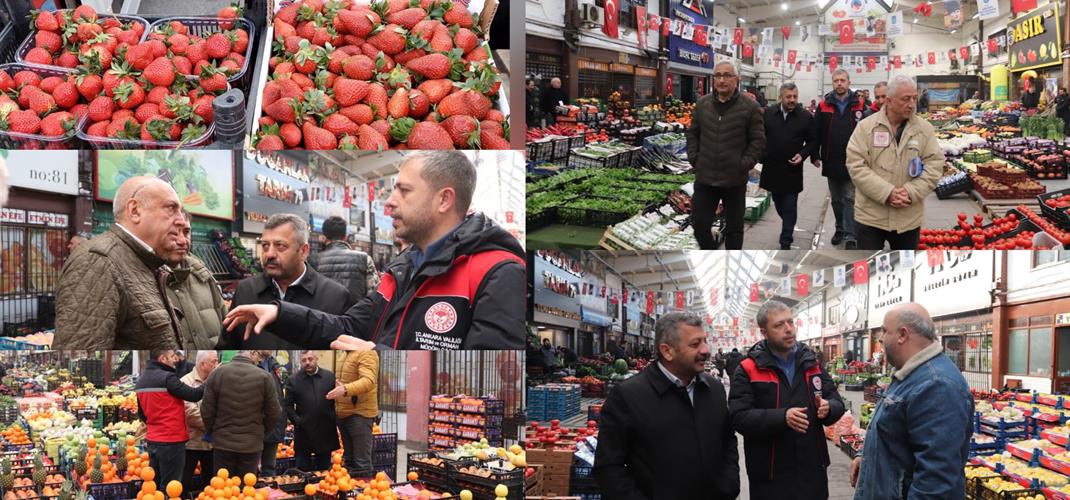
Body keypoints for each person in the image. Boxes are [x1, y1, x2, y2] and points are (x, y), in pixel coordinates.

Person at [223, 152, 527, 350]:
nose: (389, 202)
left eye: (404, 191)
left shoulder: (498, 272)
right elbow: (350, 325)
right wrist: (279, 313)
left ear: (444, 200)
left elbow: (494, 372)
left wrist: (378, 357)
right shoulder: (403, 268)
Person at [593, 312, 739, 499]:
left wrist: (729, 485)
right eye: (695, 344)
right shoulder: (628, 396)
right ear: (667, 351)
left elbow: (727, 440)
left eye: (705, 341)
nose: (705, 350)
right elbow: (608, 468)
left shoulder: (714, 390)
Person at [850, 303, 973, 498]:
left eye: (884, 331)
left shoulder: (937, 386)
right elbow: (891, 432)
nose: (881, 338)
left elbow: (935, 482)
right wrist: (865, 456)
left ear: (902, 335)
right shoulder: (908, 374)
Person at [54, 176, 190, 349]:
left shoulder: (148, 261)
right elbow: (80, 350)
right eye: (171, 208)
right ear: (134, 210)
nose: (181, 220)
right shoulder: (97, 261)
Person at [729, 301, 845, 499]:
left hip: (812, 470)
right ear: (764, 332)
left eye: (791, 322)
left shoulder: (811, 364)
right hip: (771, 474)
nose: (789, 329)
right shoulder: (748, 369)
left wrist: (829, 407)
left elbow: (836, 401)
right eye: (779, 325)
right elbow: (739, 417)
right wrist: (782, 417)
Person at [216, 214, 354, 349]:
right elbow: (227, 344)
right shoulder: (245, 291)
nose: (269, 254)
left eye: (280, 246)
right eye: (265, 245)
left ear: (303, 251)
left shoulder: (335, 296)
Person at [847, 75, 942, 250]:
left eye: (914, 98)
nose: (912, 104)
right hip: (871, 217)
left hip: (908, 218)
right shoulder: (866, 127)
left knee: (904, 270)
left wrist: (911, 191)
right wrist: (887, 192)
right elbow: (856, 165)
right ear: (889, 101)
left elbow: (934, 164)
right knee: (868, 270)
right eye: (906, 99)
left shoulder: (924, 129)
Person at [685, 60, 766, 250]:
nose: (722, 80)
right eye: (718, 75)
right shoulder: (702, 105)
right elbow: (692, 133)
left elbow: (758, 140)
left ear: (736, 79)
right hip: (706, 178)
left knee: (734, 230)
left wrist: (743, 164)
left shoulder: (750, 107)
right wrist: (694, 158)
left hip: (734, 180)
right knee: (699, 225)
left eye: (726, 75)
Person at [201, 351, 282, 478]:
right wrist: (260, 431)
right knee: (246, 488)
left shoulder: (217, 374)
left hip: (223, 443)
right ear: (252, 354)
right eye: (258, 356)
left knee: (222, 488)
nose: (259, 360)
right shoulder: (265, 377)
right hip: (251, 445)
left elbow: (206, 410)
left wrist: (215, 430)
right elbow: (275, 413)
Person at [760, 82, 818, 250]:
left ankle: (786, 239)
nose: (792, 100)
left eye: (795, 96)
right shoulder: (769, 114)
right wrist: (761, 156)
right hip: (772, 168)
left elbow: (813, 141)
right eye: (788, 97)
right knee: (778, 202)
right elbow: (760, 136)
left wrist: (804, 154)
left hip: (792, 169)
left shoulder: (805, 117)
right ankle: (788, 223)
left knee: (790, 205)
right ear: (780, 97)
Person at [135, 350, 206, 487]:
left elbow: (142, 415)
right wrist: (210, 380)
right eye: (172, 357)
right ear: (162, 358)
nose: (175, 360)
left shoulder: (141, 381)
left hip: (153, 440)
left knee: (154, 484)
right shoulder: (168, 378)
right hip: (172, 441)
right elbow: (194, 395)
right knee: (171, 486)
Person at [814, 69, 867, 250]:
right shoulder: (823, 105)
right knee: (836, 199)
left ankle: (851, 235)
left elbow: (867, 131)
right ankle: (840, 228)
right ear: (832, 83)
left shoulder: (859, 104)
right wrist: (815, 154)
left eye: (842, 80)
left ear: (849, 83)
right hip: (831, 158)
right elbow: (816, 131)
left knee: (850, 197)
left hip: (853, 160)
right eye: (836, 80)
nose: (839, 83)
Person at [166, 213, 228, 349]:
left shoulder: (203, 276)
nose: (182, 240)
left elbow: (227, 328)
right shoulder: (140, 281)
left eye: (186, 232)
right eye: (173, 233)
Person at [284, 351, 340, 472]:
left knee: (324, 472)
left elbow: (338, 400)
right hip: (304, 432)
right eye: (304, 360)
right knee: (302, 471)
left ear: (316, 358)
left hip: (325, 431)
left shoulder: (329, 377)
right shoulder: (293, 380)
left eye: (310, 359)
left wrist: (334, 418)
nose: (307, 363)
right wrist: (298, 421)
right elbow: (287, 405)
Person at [329, 351, 379, 477]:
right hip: (344, 413)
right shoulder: (344, 354)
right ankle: (351, 492)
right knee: (349, 461)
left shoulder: (367, 353)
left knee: (362, 462)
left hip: (360, 414)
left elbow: (368, 381)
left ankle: (365, 492)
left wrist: (345, 389)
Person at [308, 216, 379, 305]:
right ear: (345, 237)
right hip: (355, 316)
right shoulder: (365, 259)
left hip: (323, 316)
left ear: (324, 237)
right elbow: (374, 294)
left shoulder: (313, 260)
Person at [180, 351, 219, 491]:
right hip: (192, 443)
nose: (217, 365)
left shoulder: (216, 381)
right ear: (203, 364)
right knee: (184, 482)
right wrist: (213, 427)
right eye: (214, 361)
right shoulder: (186, 382)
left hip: (212, 444)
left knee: (211, 485)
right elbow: (190, 413)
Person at [258, 351, 287, 476]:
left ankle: (268, 493)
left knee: (269, 468)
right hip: (256, 425)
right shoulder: (251, 365)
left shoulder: (277, 368)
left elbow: (284, 394)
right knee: (250, 470)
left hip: (274, 425)